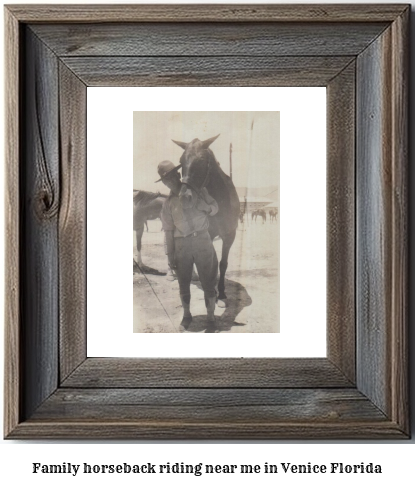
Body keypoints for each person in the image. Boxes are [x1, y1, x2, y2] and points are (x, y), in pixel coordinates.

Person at [155, 160, 219, 328]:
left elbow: (215, 208)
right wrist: (170, 256)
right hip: (181, 245)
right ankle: (187, 315)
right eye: (164, 179)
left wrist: (205, 207)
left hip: (202, 241)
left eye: (171, 176)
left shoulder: (199, 190)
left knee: (208, 280)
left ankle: (211, 317)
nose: (169, 181)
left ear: (178, 174)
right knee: (183, 281)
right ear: (163, 182)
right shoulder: (167, 204)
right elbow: (168, 231)